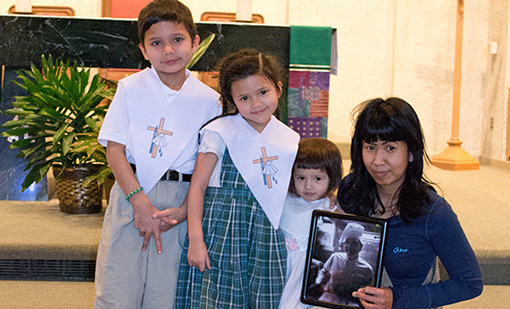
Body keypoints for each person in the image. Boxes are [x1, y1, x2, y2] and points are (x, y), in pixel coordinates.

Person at [94, 0, 221, 307]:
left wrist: (183, 211)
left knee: (166, 297)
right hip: (132, 194)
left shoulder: (210, 100)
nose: (168, 50)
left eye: (177, 40)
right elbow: (115, 149)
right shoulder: (130, 88)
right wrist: (139, 202)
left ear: (194, 42)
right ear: (143, 49)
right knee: (118, 290)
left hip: (181, 203)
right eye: (156, 43)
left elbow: (209, 166)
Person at [166, 48, 300, 308]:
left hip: (266, 236)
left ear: (279, 89)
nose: (256, 103)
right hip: (224, 235)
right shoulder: (219, 132)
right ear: (232, 100)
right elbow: (198, 188)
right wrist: (196, 240)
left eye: (263, 92)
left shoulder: (288, 139)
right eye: (245, 97)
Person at [337, 97, 483, 308]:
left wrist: (397, 299)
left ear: (412, 153)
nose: (378, 160)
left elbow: (470, 283)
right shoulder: (350, 192)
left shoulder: (433, 212)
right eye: (370, 147)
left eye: (390, 148)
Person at [278, 137, 343, 309]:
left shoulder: (331, 207)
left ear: (332, 177)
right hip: (282, 269)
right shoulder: (284, 200)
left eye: (317, 179)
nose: (308, 186)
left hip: (307, 275)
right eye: (301, 178)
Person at [315, 222, 374, 306]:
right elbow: (324, 271)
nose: (349, 246)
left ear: (360, 246)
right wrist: (319, 284)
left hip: (351, 301)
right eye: (347, 242)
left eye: (354, 243)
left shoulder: (367, 269)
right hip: (329, 296)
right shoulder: (335, 257)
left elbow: (368, 291)